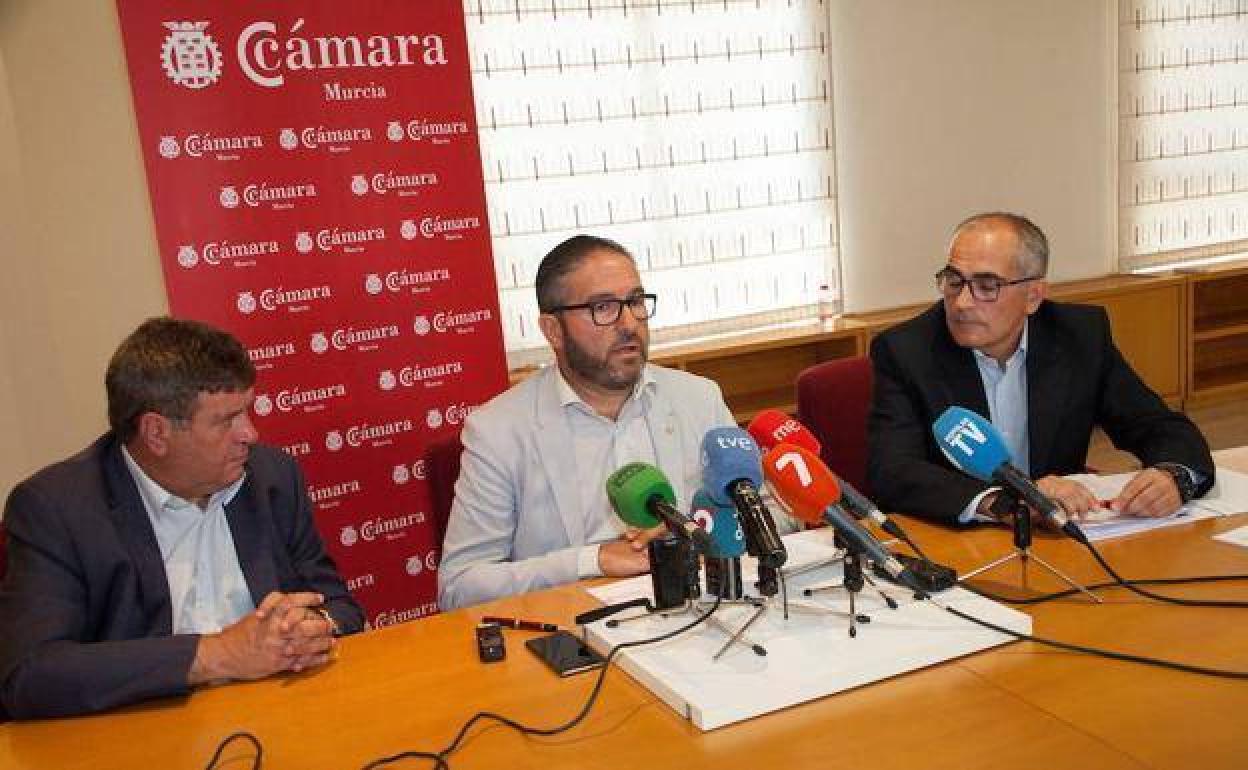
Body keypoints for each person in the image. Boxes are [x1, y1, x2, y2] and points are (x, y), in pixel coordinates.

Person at [0, 317, 363, 719]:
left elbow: (340, 607)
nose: (250, 433)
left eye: (247, 411)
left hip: (279, 714)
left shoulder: (273, 477)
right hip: (144, 734)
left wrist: (311, 627)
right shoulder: (57, 509)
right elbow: (30, 675)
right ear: (157, 433)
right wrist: (217, 653)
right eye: (227, 420)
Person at [438, 235, 738, 609]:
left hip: (697, 612)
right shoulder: (499, 431)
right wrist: (591, 560)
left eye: (635, 302)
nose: (629, 323)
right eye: (604, 307)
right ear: (552, 330)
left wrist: (700, 530)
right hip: (575, 631)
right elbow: (460, 586)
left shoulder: (699, 399)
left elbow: (774, 515)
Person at [867, 212, 1214, 526]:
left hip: (1061, 538)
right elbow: (893, 471)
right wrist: (1008, 504)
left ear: (1033, 295)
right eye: (953, 281)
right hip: (958, 540)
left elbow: (1155, 424)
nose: (962, 302)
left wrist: (1174, 477)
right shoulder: (907, 351)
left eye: (987, 286)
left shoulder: (1079, 336)